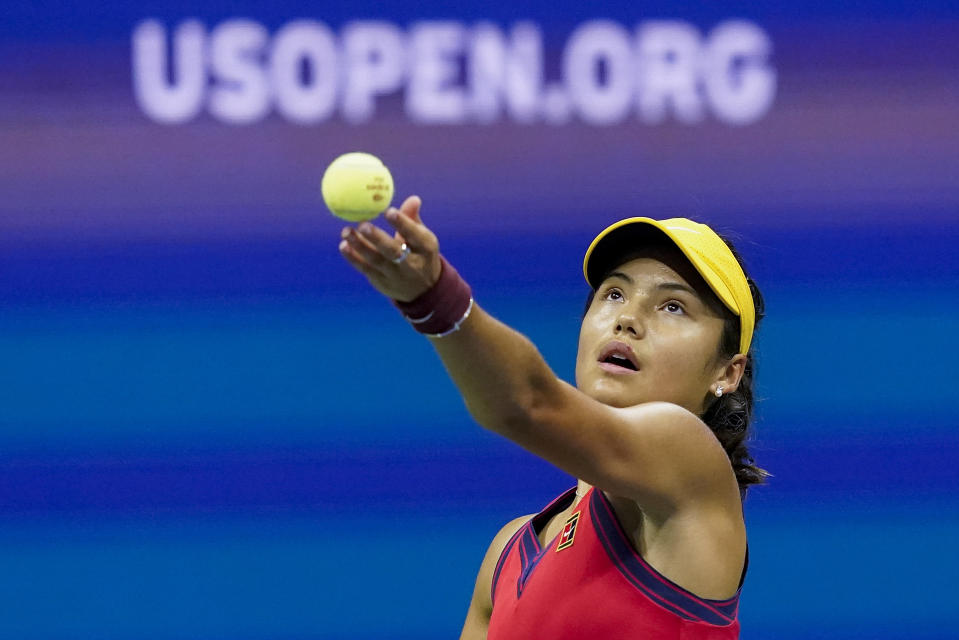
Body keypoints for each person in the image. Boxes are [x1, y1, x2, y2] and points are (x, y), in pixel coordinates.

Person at [338, 195, 768, 639]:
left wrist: (436, 299)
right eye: (614, 293)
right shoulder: (508, 552)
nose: (628, 318)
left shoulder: (689, 462)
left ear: (726, 372)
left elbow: (527, 404)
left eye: (673, 306)